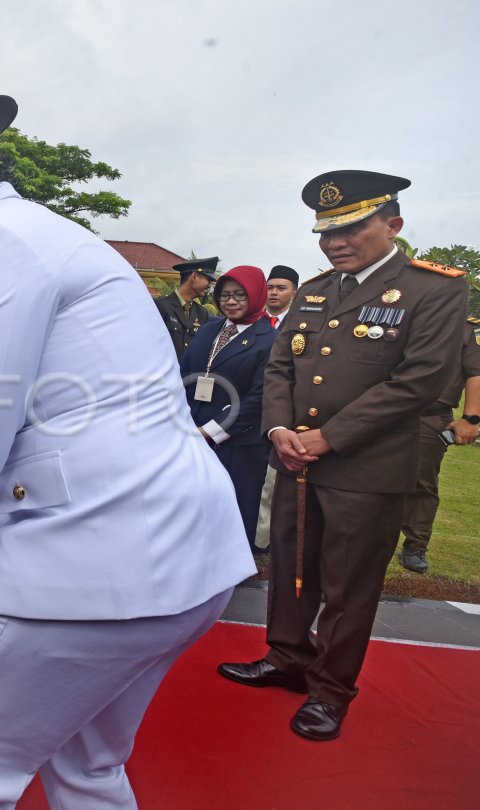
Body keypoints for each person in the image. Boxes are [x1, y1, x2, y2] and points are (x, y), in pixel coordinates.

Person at [0, 95, 254, 809]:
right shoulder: (36, 232)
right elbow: (32, 401)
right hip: (184, 550)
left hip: (92, 557)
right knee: (85, 763)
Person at [218, 171, 468, 742]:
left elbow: (422, 381)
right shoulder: (314, 290)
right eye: (325, 231)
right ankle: (286, 659)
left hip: (367, 468)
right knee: (289, 569)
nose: (335, 241)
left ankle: (330, 690)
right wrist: (280, 427)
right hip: (296, 459)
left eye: (352, 227)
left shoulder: (435, 288)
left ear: (393, 225)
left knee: (349, 586)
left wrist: (329, 437)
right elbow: (282, 365)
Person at [179, 265, 277, 547]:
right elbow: (184, 375)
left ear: (256, 296)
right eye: (224, 296)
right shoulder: (209, 328)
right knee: (193, 505)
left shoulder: (270, 339)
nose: (230, 302)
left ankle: (231, 575)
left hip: (238, 441)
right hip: (192, 433)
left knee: (234, 509)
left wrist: (210, 430)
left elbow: (259, 397)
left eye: (239, 296)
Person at [398, 317, 480, 572]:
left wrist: (471, 418)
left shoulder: (466, 328)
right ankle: (363, 544)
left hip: (430, 416)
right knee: (366, 479)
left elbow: (476, 373)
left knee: (422, 483)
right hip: (383, 414)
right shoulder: (401, 315)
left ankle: (415, 545)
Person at [253, 265, 302, 550]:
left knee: (273, 484)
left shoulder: (300, 323)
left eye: (281, 288)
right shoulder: (254, 320)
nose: (273, 293)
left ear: (294, 292)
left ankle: (264, 542)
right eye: (270, 287)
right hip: (249, 412)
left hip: (282, 415)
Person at [157, 256, 217, 358]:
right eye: (208, 279)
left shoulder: (202, 314)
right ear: (194, 276)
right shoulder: (160, 306)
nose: (209, 285)